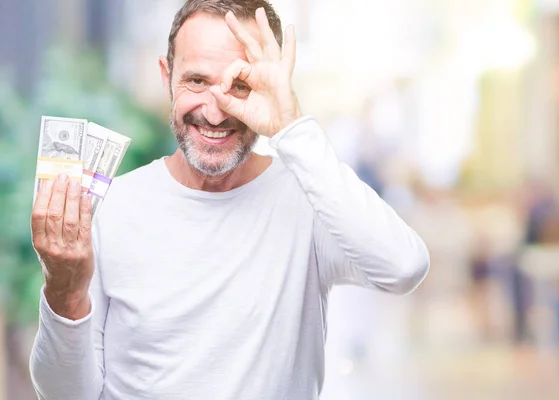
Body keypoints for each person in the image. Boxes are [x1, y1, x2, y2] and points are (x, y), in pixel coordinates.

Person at [28, 1, 430, 399]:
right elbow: (66, 396)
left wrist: (291, 126)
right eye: (197, 81)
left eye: (241, 85)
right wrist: (65, 292)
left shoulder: (308, 201)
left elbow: (403, 266)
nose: (216, 114)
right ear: (168, 77)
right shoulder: (111, 208)